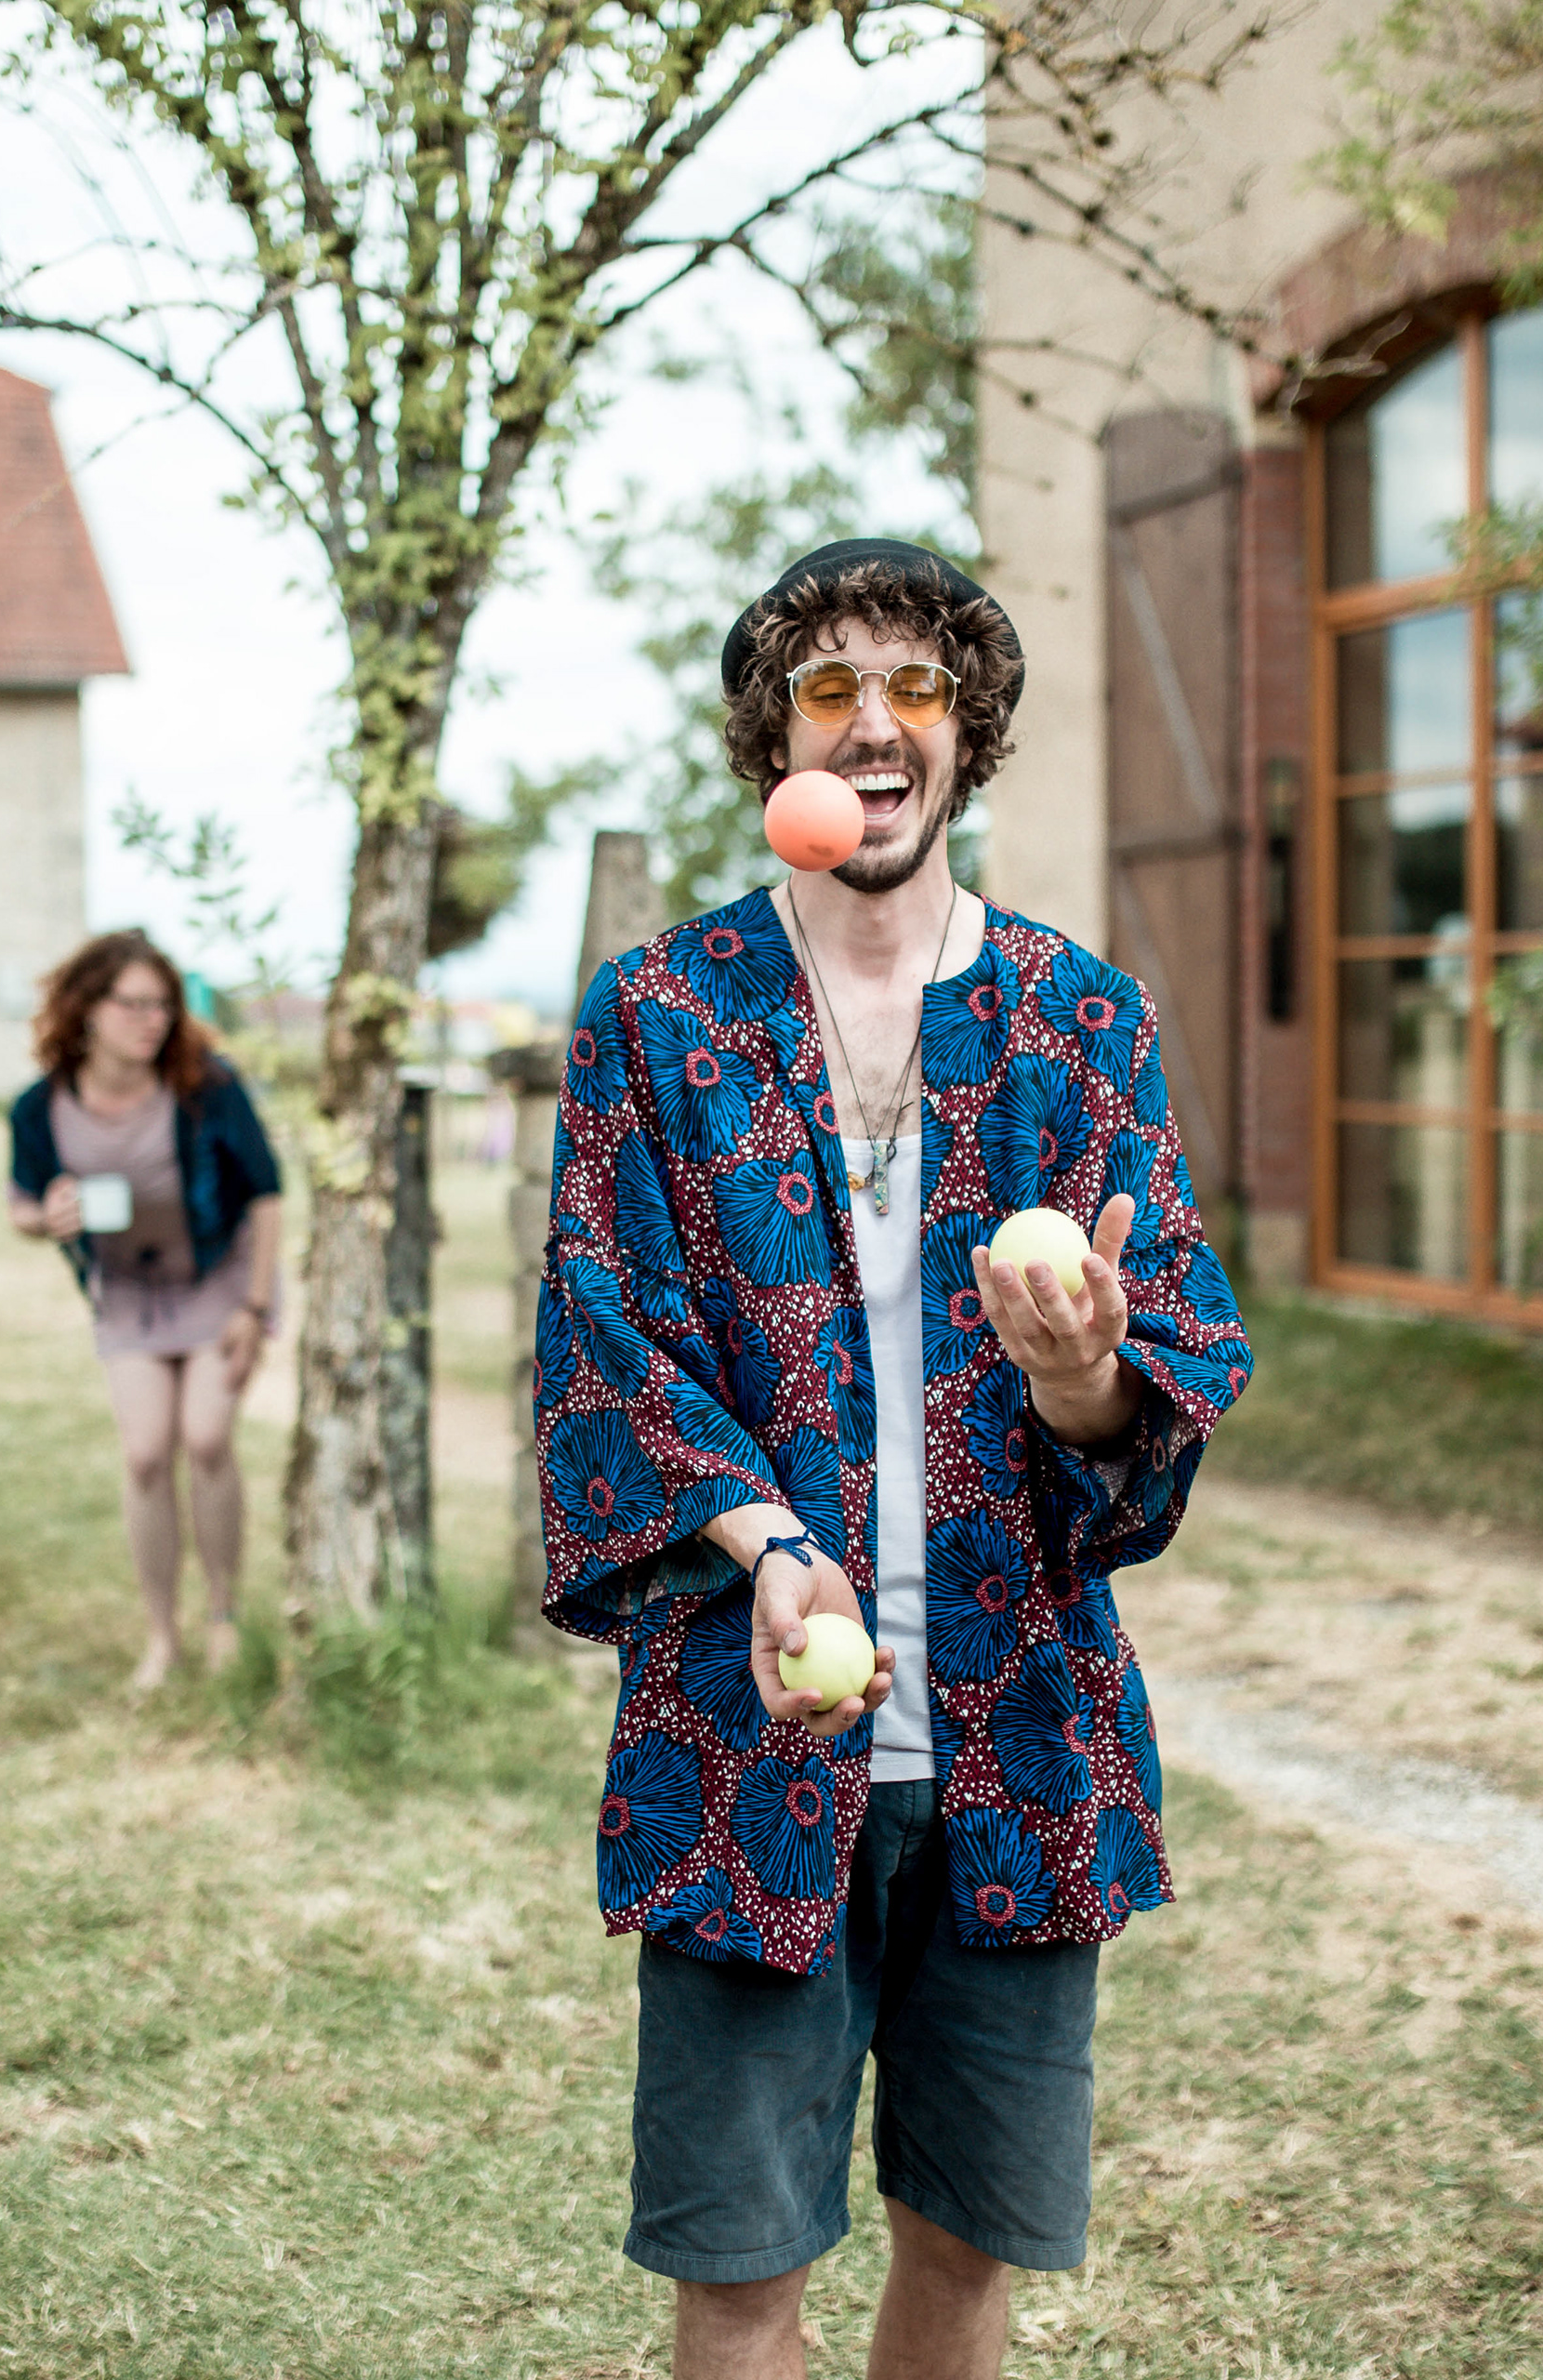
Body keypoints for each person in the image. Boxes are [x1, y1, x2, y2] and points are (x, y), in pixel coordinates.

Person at [534, 539, 1250, 2379]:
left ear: (967, 734)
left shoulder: (1081, 1019)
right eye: (830, 688)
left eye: (915, 688)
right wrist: (769, 1546)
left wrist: (1082, 1375)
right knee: (738, 2273)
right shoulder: (660, 1013)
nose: (873, 725)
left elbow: (1165, 1369)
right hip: (744, 1732)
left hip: (1024, 1736)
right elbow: (606, 1334)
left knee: (965, 2252)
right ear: (776, 736)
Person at [6, 931, 284, 1690]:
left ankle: (223, 1617)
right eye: (132, 1003)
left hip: (220, 1283)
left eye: (162, 1005)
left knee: (207, 1437)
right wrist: (46, 1218)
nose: (151, 1020)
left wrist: (255, 1306)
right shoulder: (40, 1107)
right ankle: (162, 1638)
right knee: (144, 1455)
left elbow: (265, 1193)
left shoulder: (206, 1086)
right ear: (86, 1009)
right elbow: (20, 1205)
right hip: (128, 1295)